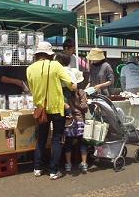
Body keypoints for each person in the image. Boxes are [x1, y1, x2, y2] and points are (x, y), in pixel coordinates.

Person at [27, 41, 76, 180]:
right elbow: (69, 83)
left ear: (37, 54)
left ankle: (37, 168)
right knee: (56, 139)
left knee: (41, 138)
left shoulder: (30, 69)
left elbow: (31, 89)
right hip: (56, 108)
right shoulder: (55, 65)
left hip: (41, 109)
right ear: (50, 54)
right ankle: (53, 171)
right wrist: (75, 86)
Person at [63, 69, 89, 173]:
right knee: (82, 142)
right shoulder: (81, 92)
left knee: (68, 142)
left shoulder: (66, 93)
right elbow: (84, 107)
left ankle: (68, 164)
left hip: (69, 121)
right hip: (80, 120)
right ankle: (84, 163)